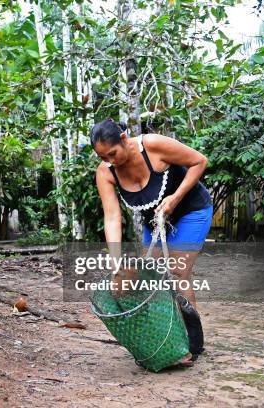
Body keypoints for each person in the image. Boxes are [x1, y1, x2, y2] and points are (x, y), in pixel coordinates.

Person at [91, 119, 213, 365]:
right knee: (151, 278)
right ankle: (167, 338)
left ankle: (190, 345)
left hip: (191, 210)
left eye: (113, 153)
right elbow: (112, 217)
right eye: (104, 157)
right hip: (155, 222)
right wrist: (115, 263)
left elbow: (200, 161)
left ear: (124, 139)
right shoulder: (106, 172)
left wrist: (175, 198)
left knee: (178, 273)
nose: (110, 161)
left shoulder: (154, 145)